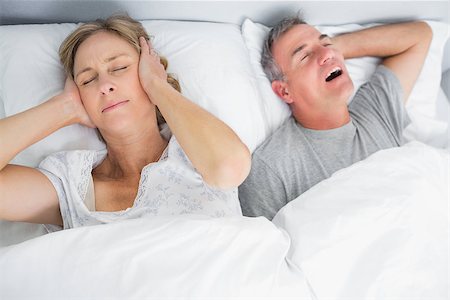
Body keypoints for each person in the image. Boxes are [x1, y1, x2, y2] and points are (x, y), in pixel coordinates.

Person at [0, 15, 251, 230]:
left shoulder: (198, 151)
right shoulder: (72, 183)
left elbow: (230, 168)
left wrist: (157, 86)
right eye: (87, 80)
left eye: (119, 67)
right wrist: (63, 108)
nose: (104, 85)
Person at [238, 15, 432, 220]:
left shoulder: (377, 111)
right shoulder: (272, 167)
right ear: (285, 92)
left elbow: (420, 35)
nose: (327, 52)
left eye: (326, 43)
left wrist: (333, 49)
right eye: (304, 56)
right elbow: (267, 248)